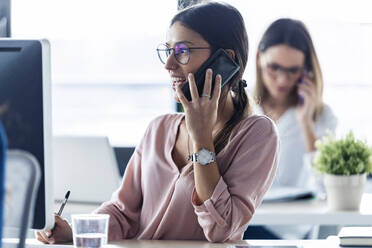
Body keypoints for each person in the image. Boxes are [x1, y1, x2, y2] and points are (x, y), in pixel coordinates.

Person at [36, 2, 279, 243]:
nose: (168, 65)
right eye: (169, 50)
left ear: (225, 59)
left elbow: (221, 229)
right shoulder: (159, 129)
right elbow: (123, 213)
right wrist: (76, 232)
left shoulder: (257, 133)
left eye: (183, 51)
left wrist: (201, 138)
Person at [244, 18, 338, 239]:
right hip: (246, 223)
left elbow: (327, 188)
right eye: (274, 68)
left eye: (293, 71)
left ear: (306, 71)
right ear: (259, 58)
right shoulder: (242, 109)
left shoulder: (322, 117)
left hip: (290, 231)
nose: (282, 80)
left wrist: (305, 124)